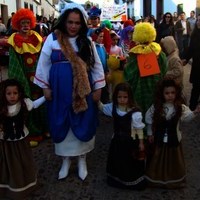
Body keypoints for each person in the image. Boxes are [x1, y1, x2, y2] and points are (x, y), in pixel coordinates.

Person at [34, 3, 105, 181]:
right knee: (61, 122)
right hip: (59, 92)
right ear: (64, 22)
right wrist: (45, 87)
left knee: (83, 120)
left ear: (82, 24)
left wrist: (98, 89)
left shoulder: (86, 41)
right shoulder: (52, 39)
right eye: (70, 22)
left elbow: (96, 65)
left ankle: (82, 159)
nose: (73, 26)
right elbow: (43, 65)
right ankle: (65, 160)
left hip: (82, 91)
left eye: (77, 23)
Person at [145, 77, 200, 189]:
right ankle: (156, 179)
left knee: (174, 161)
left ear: (176, 93)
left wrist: (195, 113)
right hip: (159, 139)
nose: (170, 95)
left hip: (174, 140)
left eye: (173, 93)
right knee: (157, 159)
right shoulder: (157, 107)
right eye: (167, 93)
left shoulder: (180, 108)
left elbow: (186, 118)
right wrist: (150, 133)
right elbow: (148, 119)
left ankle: (173, 180)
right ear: (162, 94)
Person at [7, 8, 48, 146]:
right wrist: (19, 80)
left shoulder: (36, 37)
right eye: (22, 23)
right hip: (24, 75)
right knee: (28, 103)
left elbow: (43, 56)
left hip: (38, 74)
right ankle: (33, 133)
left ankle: (44, 129)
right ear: (17, 24)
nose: (25, 25)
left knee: (41, 101)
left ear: (31, 23)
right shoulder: (14, 40)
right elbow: (14, 62)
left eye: (27, 22)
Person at [0, 79, 46, 199]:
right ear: (4, 94)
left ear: (19, 93)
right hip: (6, 143)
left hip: (21, 141)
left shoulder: (24, 103)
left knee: (24, 162)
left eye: (15, 93)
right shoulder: (1, 107)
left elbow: (34, 105)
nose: (12, 96)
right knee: (9, 164)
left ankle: (27, 185)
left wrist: (45, 97)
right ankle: (10, 187)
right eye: (8, 93)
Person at [98, 82, 146, 190]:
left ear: (130, 97)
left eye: (125, 97)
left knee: (129, 162)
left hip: (130, 143)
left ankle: (131, 181)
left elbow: (139, 129)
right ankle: (117, 179)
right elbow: (102, 108)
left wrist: (141, 143)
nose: (122, 99)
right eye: (119, 97)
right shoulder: (113, 108)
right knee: (118, 160)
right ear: (116, 97)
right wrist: (96, 98)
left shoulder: (135, 113)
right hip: (117, 142)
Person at [124, 22, 167, 116]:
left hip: (139, 90)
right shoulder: (159, 53)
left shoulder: (134, 55)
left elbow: (128, 75)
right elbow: (164, 70)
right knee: (155, 113)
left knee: (139, 114)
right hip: (156, 88)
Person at [182, 14, 200, 111]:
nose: (198, 22)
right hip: (197, 66)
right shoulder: (195, 34)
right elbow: (191, 49)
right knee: (196, 87)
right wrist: (186, 59)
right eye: (197, 20)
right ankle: (192, 107)